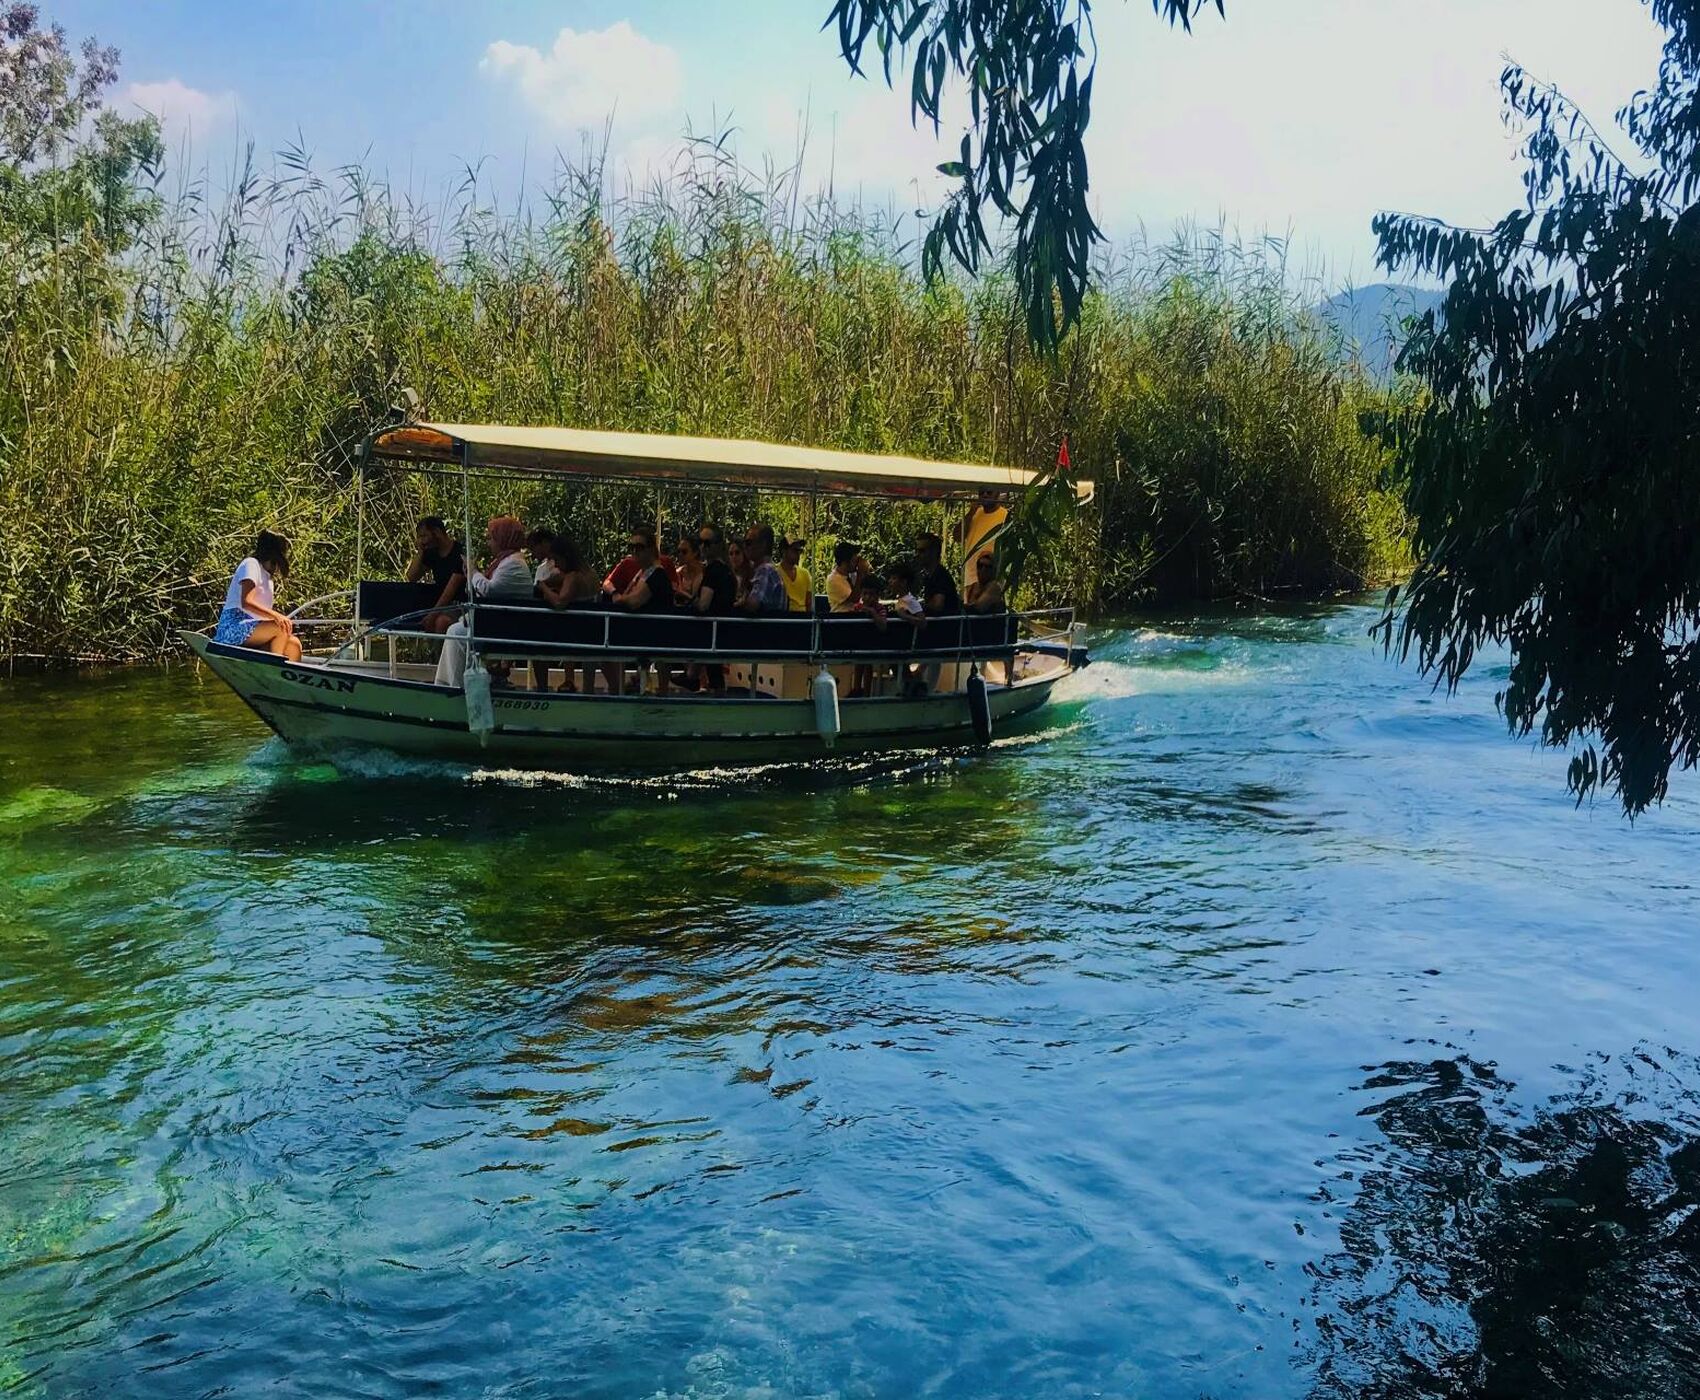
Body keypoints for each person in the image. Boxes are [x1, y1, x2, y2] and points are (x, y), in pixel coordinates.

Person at [433, 516, 535, 687]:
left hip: (505, 627)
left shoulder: (513, 564)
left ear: (503, 539)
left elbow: (489, 589)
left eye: (491, 539)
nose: (489, 544)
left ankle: (455, 685)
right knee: (455, 630)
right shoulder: (504, 561)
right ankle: (446, 683)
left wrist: (473, 572)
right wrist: (471, 575)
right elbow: (482, 589)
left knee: (456, 633)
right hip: (496, 621)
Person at [214, 530, 301, 661]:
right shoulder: (251, 564)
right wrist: (276, 616)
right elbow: (246, 602)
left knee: (294, 644)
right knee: (280, 627)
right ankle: (275, 668)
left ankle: (289, 679)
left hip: (253, 631)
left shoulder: (267, 577)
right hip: (233, 627)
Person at [537, 535, 600, 692]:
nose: (556, 565)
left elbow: (559, 603)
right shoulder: (590, 574)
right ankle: (589, 688)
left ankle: (542, 689)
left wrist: (543, 588)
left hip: (573, 633)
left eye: (556, 560)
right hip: (592, 630)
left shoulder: (574, 577)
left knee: (536, 642)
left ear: (565, 557)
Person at [405, 516, 467, 634]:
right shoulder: (432, 553)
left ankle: (438, 652)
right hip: (440, 604)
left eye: (424, 536)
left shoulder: (459, 552)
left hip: (460, 605)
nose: (422, 540)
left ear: (437, 532)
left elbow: (451, 590)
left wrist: (432, 615)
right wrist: (421, 551)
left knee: (441, 621)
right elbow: (411, 577)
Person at [958, 488, 1008, 589]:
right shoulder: (974, 514)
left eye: (989, 492)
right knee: (970, 604)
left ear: (998, 493)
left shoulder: (1005, 516)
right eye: (981, 493)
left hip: (992, 579)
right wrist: (970, 513)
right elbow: (957, 536)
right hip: (971, 577)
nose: (984, 495)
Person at [847, 574, 889, 697]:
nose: (867, 597)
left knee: (868, 665)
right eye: (865, 593)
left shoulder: (880, 609)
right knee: (858, 664)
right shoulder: (857, 607)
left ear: (877, 596)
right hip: (860, 642)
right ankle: (856, 689)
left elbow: (883, 625)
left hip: (873, 643)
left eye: (871, 594)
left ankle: (866, 693)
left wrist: (873, 613)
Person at [739, 525, 787, 613]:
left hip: (764, 626)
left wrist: (740, 601)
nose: (745, 546)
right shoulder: (768, 570)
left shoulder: (766, 570)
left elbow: (753, 605)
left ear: (763, 545)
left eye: (748, 542)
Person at [914, 532, 961, 616]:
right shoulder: (929, 576)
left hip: (944, 626)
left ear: (934, 552)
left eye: (922, 551)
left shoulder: (941, 576)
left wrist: (915, 607)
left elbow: (937, 606)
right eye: (916, 550)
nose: (917, 554)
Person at [777, 535, 813, 614]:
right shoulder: (774, 572)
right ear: (784, 551)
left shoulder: (805, 574)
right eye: (794, 550)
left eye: (800, 551)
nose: (798, 554)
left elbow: (809, 602)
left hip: (802, 619)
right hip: (782, 617)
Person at [826, 541, 860, 613]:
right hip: (840, 618)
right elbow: (854, 599)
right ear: (845, 562)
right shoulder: (833, 579)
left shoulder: (852, 576)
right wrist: (861, 574)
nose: (856, 564)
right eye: (854, 561)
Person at [727, 539, 753, 607]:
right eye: (731, 554)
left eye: (737, 553)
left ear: (744, 553)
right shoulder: (727, 575)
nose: (734, 557)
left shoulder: (753, 574)